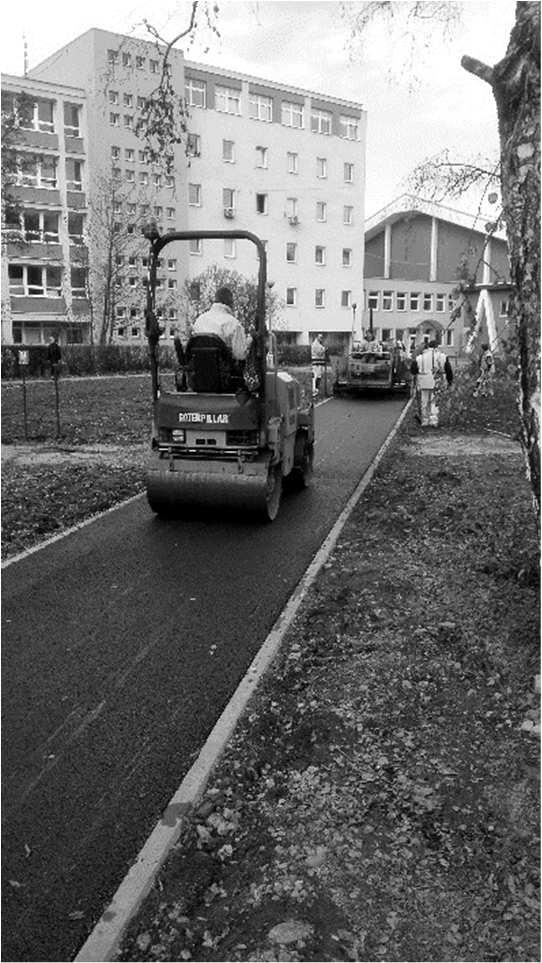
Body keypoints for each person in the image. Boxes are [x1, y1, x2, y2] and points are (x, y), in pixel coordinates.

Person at [191, 287, 248, 361]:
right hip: (224, 371)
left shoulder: (199, 320)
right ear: (231, 302)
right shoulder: (233, 324)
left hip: (198, 370)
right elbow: (240, 355)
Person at [411, 339, 451, 427]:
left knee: (424, 401)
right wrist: (449, 381)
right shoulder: (442, 356)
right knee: (434, 401)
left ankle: (425, 421)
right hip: (437, 381)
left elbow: (413, 370)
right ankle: (433, 421)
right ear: (437, 346)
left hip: (423, 381)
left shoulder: (420, 357)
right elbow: (448, 370)